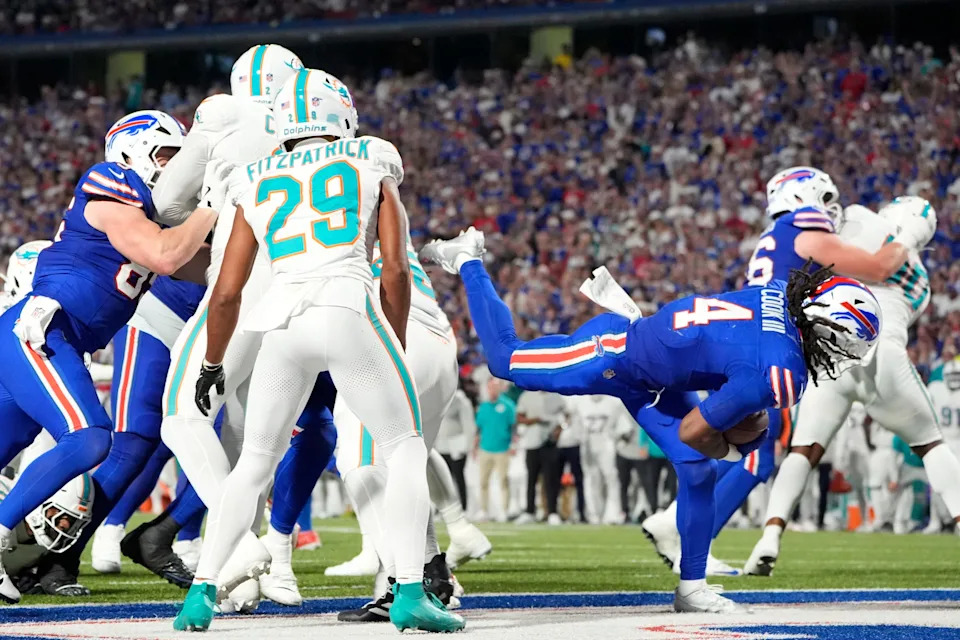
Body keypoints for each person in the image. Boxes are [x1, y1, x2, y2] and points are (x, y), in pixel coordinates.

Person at [420, 225, 880, 613]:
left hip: (661, 376)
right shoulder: (782, 371)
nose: (840, 357)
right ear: (824, 326)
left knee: (697, 472)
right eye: (845, 345)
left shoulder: (779, 293)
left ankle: (692, 588)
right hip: (615, 355)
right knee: (505, 359)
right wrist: (732, 446)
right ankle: (468, 258)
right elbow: (694, 431)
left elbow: (729, 349)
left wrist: (735, 421)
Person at [173, 68, 464, 633]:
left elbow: (227, 290)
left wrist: (212, 362)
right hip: (346, 306)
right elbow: (396, 269)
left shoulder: (254, 176)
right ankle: (409, 589)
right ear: (342, 113)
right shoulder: (371, 157)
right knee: (404, 448)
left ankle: (201, 593)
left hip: (281, 324)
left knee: (254, 463)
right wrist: (395, 340)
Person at [0, 109, 216, 604]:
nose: (177, 166)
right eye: (167, 154)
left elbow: (206, 267)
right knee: (91, 437)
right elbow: (165, 256)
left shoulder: (155, 218)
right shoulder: (111, 183)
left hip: (57, 341)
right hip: (40, 331)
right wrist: (211, 203)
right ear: (133, 153)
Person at [151, 43, 304, 598]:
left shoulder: (224, 113)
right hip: (308, 291)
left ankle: (241, 546)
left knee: (182, 416)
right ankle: (247, 584)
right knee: (249, 437)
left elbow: (167, 202)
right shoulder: (324, 132)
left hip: (247, 279)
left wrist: (213, 206)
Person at [745, 194, 960, 575]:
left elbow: (840, 251)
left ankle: (770, 537)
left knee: (802, 452)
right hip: (882, 354)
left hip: (833, 356)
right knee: (932, 445)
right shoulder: (921, 280)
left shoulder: (860, 219)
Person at [330, 235, 491, 623]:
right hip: (439, 345)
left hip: (391, 334)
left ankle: (403, 586)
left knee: (360, 464)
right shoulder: (388, 227)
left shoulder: (328, 225)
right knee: (406, 466)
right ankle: (435, 574)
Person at [2, 473, 95, 598]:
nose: (65, 525)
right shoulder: (5, 500)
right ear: (38, 503)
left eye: (72, 520)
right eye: (60, 514)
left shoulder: (45, 543)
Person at [568, 395, 625, 524]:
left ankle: (612, 513)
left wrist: (617, 441)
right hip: (588, 443)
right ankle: (594, 513)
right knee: (591, 479)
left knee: (611, 477)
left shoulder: (614, 402)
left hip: (606, 442)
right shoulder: (580, 402)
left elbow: (622, 425)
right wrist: (580, 438)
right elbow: (575, 425)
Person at [475, 378, 517, 521]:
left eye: (495, 387)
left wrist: (513, 445)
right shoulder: (483, 407)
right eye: (490, 387)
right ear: (487, 389)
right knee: (483, 481)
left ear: (500, 388)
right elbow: (478, 429)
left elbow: (514, 427)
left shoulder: (508, 405)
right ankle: (483, 510)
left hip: (502, 449)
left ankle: (504, 510)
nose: (493, 390)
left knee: (503, 481)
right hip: (485, 448)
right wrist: (475, 447)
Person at [435, 387, 476, 511]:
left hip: (457, 444)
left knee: (458, 477)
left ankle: (463, 507)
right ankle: (444, 508)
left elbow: (468, 424)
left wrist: (467, 445)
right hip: (441, 444)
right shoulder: (438, 399)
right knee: (442, 479)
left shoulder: (460, 400)